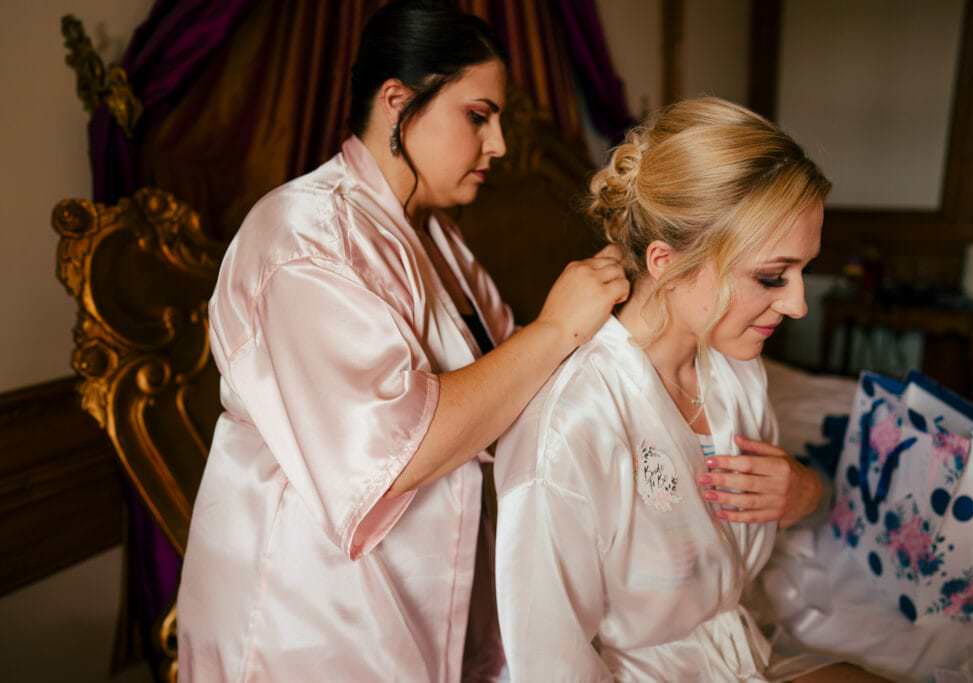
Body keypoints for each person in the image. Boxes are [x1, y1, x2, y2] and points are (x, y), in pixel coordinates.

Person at [175, 1, 629, 680]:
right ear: (397, 102)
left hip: (425, 598)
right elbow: (394, 451)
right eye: (478, 116)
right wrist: (557, 327)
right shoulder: (302, 238)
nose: (499, 145)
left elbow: (518, 389)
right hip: (306, 615)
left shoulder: (434, 236)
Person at [493, 97, 886, 682]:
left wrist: (804, 494)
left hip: (739, 653)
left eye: (803, 271)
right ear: (666, 262)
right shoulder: (572, 426)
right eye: (772, 277)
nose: (799, 305)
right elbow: (550, 663)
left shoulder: (735, 371)